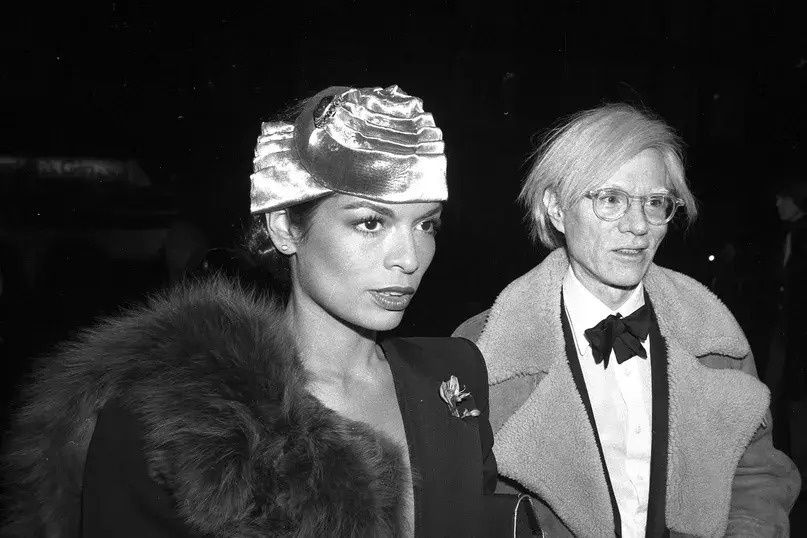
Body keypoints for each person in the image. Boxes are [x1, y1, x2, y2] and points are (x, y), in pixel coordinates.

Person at [2, 85, 537, 537]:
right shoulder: (175, 417)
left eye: (426, 224)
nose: (410, 257)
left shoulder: (454, 373)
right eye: (370, 222)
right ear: (284, 228)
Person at [454, 103, 801, 537]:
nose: (639, 226)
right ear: (556, 208)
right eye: (611, 199)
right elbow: (459, 502)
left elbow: (757, 477)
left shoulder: (715, 338)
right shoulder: (482, 348)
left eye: (655, 202)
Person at [766, 176, 807, 486]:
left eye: (784, 197)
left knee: (792, 395)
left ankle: (797, 470)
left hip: (797, 329)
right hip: (788, 327)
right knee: (778, 391)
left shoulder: (802, 234)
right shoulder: (791, 233)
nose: (778, 203)